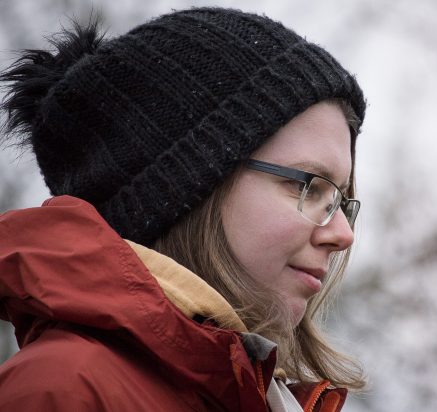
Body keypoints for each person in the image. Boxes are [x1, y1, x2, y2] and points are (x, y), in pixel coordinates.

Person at [0, 7, 366, 412]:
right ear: (192, 185)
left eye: (338, 201)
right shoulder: (66, 391)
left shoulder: (250, 394)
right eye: (306, 185)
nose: (342, 234)